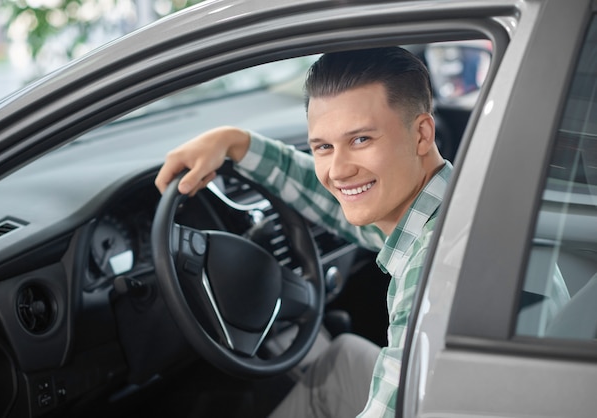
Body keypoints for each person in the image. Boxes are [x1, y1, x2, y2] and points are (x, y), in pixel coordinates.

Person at [155, 47, 452, 418]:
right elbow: (334, 198)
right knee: (340, 361)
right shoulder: (452, 202)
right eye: (324, 147)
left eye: (361, 140)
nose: (338, 171)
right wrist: (236, 142)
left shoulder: (433, 272)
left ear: (422, 133)